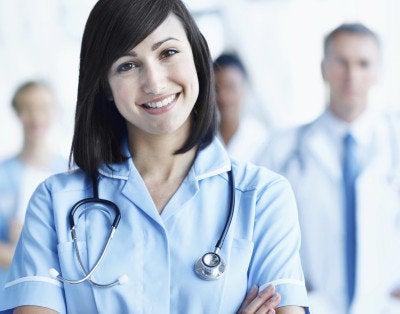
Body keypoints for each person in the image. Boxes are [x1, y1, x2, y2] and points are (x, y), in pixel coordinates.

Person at [0, 0, 308, 313]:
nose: (154, 83)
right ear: (105, 86)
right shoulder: (55, 203)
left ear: (197, 57)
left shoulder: (263, 197)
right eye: (127, 65)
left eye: (168, 53)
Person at [256, 23, 400, 313]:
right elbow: (256, 229)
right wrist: (288, 284)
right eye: (341, 62)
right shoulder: (282, 149)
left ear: (378, 72)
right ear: (323, 69)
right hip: (311, 305)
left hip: (387, 306)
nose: (352, 76)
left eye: (363, 64)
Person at [0, 81, 67, 286]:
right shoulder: (3, 174)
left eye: (44, 108)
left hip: (55, 292)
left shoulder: (70, 175)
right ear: (17, 113)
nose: (36, 117)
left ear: (55, 112)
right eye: (27, 109)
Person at [214, 53, 270, 162]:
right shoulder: (202, 138)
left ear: (245, 88)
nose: (223, 97)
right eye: (216, 89)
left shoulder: (261, 139)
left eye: (231, 88)